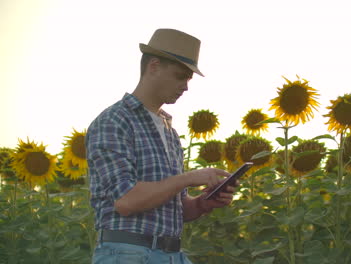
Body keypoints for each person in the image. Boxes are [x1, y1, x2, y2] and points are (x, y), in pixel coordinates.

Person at [85, 28, 237, 264]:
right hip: (127, 253)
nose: (186, 86)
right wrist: (188, 178)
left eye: (188, 79)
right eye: (180, 76)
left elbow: (178, 210)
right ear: (154, 66)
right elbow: (126, 201)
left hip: (171, 255)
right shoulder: (114, 121)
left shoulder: (170, 132)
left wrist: (203, 203)